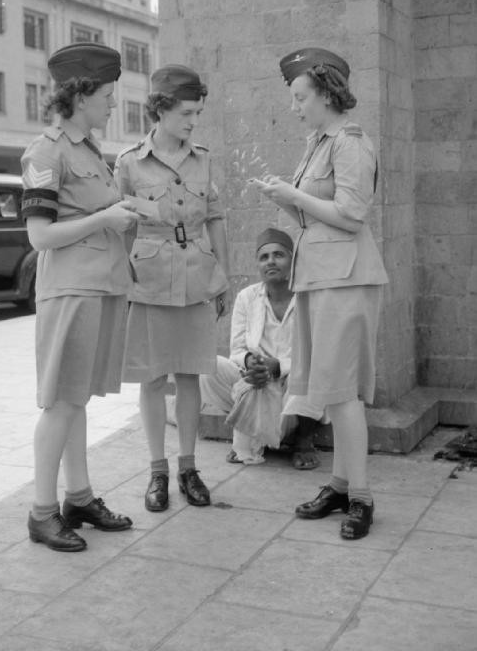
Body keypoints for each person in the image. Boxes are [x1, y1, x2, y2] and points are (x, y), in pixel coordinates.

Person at [253, 48, 388, 540]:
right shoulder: (318, 142)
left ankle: (362, 498)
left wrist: (294, 196)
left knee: (344, 393)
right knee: (328, 390)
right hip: (321, 275)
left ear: (327, 93)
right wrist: (284, 201)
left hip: (346, 278)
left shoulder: (350, 142)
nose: (295, 106)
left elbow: (352, 215)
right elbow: (314, 218)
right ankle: (338, 485)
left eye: (300, 96)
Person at [21, 42, 137, 552]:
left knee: (76, 399)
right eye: (109, 95)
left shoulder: (87, 150)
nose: (114, 104)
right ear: (83, 94)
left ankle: (80, 497)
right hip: (70, 292)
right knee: (60, 404)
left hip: (98, 288)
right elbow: (40, 237)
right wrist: (106, 219)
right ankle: (42, 512)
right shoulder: (46, 152)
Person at [114, 64, 230, 513]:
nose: (192, 121)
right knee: (152, 377)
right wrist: (122, 285)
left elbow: (216, 217)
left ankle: (188, 467)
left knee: (189, 375)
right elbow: (120, 229)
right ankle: (157, 470)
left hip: (197, 276)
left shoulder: (203, 157)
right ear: (159, 109)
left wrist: (223, 274)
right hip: (149, 280)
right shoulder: (128, 163)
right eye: (185, 112)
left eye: (197, 113)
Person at [200, 227, 324, 467]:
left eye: (279, 255)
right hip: (256, 380)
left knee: (312, 373)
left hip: (293, 388)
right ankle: (254, 424)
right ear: (257, 264)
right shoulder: (247, 297)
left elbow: (318, 352)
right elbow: (236, 350)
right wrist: (251, 364)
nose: (271, 262)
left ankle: (303, 440)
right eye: (264, 257)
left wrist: (277, 368)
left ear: (292, 260)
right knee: (208, 366)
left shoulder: (309, 298)